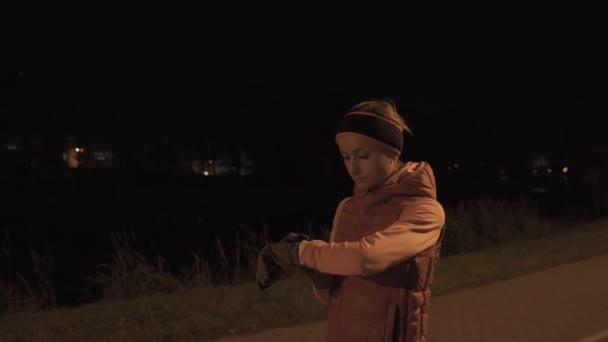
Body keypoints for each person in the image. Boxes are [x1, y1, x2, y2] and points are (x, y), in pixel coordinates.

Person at [256, 98, 446, 342]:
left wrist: (300, 252)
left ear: (392, 152)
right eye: (346, 157)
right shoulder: (346, 208)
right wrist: (317, 272)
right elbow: (330, 297)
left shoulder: (425, 211)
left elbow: (366, 257)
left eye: (363, 155)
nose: (353, 168)